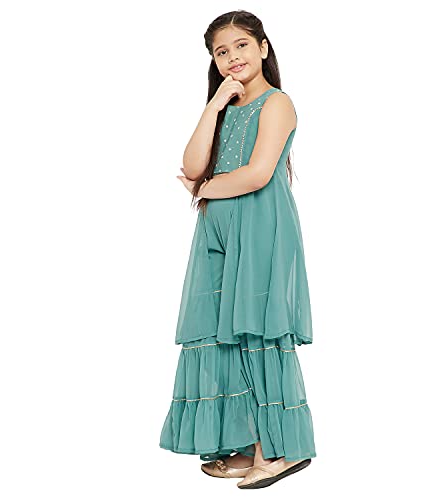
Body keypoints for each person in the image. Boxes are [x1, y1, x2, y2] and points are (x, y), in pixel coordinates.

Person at [159, 10, 317, 489]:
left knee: (259, 330)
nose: (232, 57)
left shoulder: (277, 103)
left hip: (261, 225)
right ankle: (247, 443)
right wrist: (214, 105)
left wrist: (203, 189)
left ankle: (280, 450)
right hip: (216, 232)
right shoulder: (225, 106)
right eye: (221, 52)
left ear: (263, 48)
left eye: (242, 45)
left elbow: (258, 174)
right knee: (219, 334)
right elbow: (191, 163)